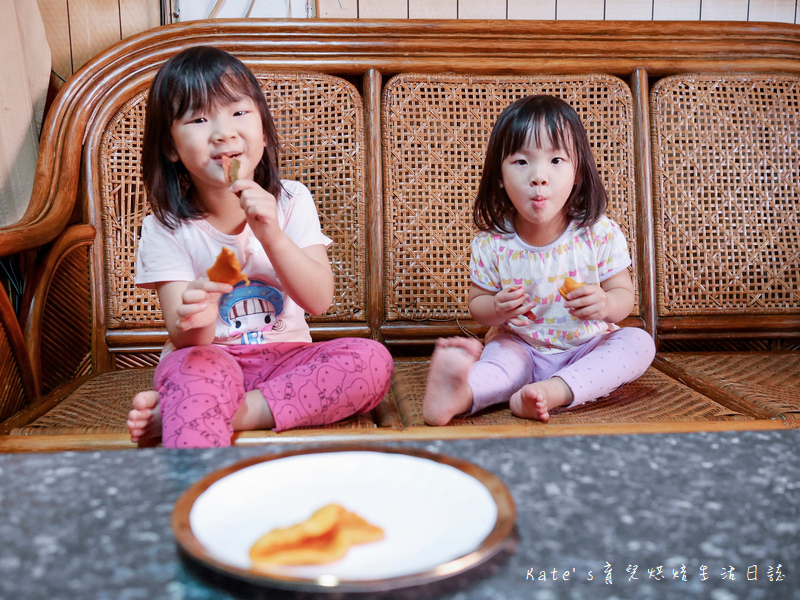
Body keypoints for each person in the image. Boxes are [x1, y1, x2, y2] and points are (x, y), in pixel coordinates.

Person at [126, 46, 393, 448]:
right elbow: (187, 341)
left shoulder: (291, 200)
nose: (223, 132)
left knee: (371, 361)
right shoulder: (165, 227)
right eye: (199, 118)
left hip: (289, 362)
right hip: (210, 360)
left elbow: (318, 299)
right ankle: (197, 440)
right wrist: (197, 308)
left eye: (238, 112)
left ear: (263, 132)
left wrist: (272, 235)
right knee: (192, 369)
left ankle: (203, 412)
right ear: (171, 147)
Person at [423, 95, 655, 426]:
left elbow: (623, 296)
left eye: (556, 160)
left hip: (587, 348)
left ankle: (553, 391)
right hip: (521, 346)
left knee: (638, 342)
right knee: (499, 362)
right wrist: (497, 309)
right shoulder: (493, 243)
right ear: (500, 177)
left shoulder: (598, 232)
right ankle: (458, 394)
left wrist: (604, 303)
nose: (539, 177)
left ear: (577, 172)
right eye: (521, 162)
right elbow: (477, 304)